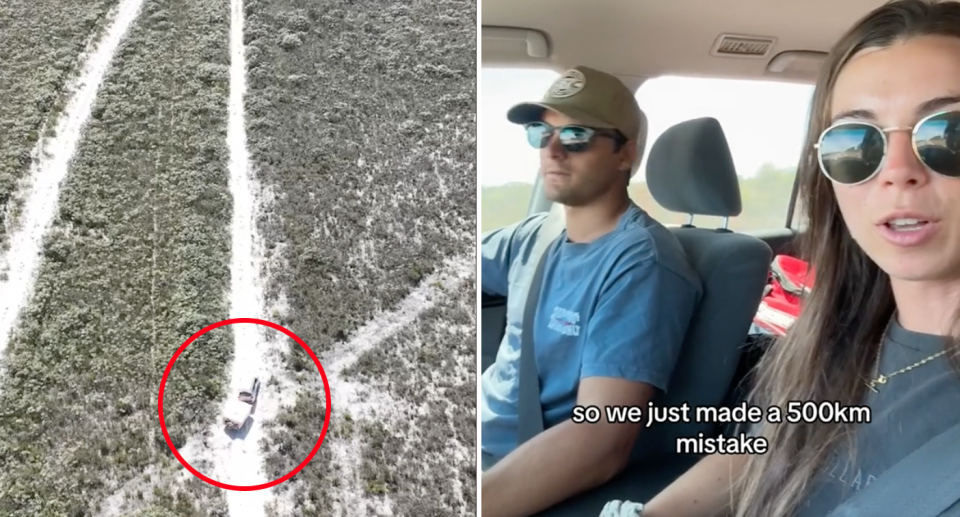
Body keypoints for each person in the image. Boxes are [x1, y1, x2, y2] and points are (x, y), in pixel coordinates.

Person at [600, 1, 960, 516]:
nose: (896, 170)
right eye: (855, 142)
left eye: (950, 132)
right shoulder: (837, 332)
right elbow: (761, 448)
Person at [479, 65, 702, 517]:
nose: (553, 149)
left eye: (577, 134)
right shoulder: (535, 235)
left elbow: (600, 438)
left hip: (506, 467)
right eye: (542, 132)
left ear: (625, 154)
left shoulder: (642, 264)